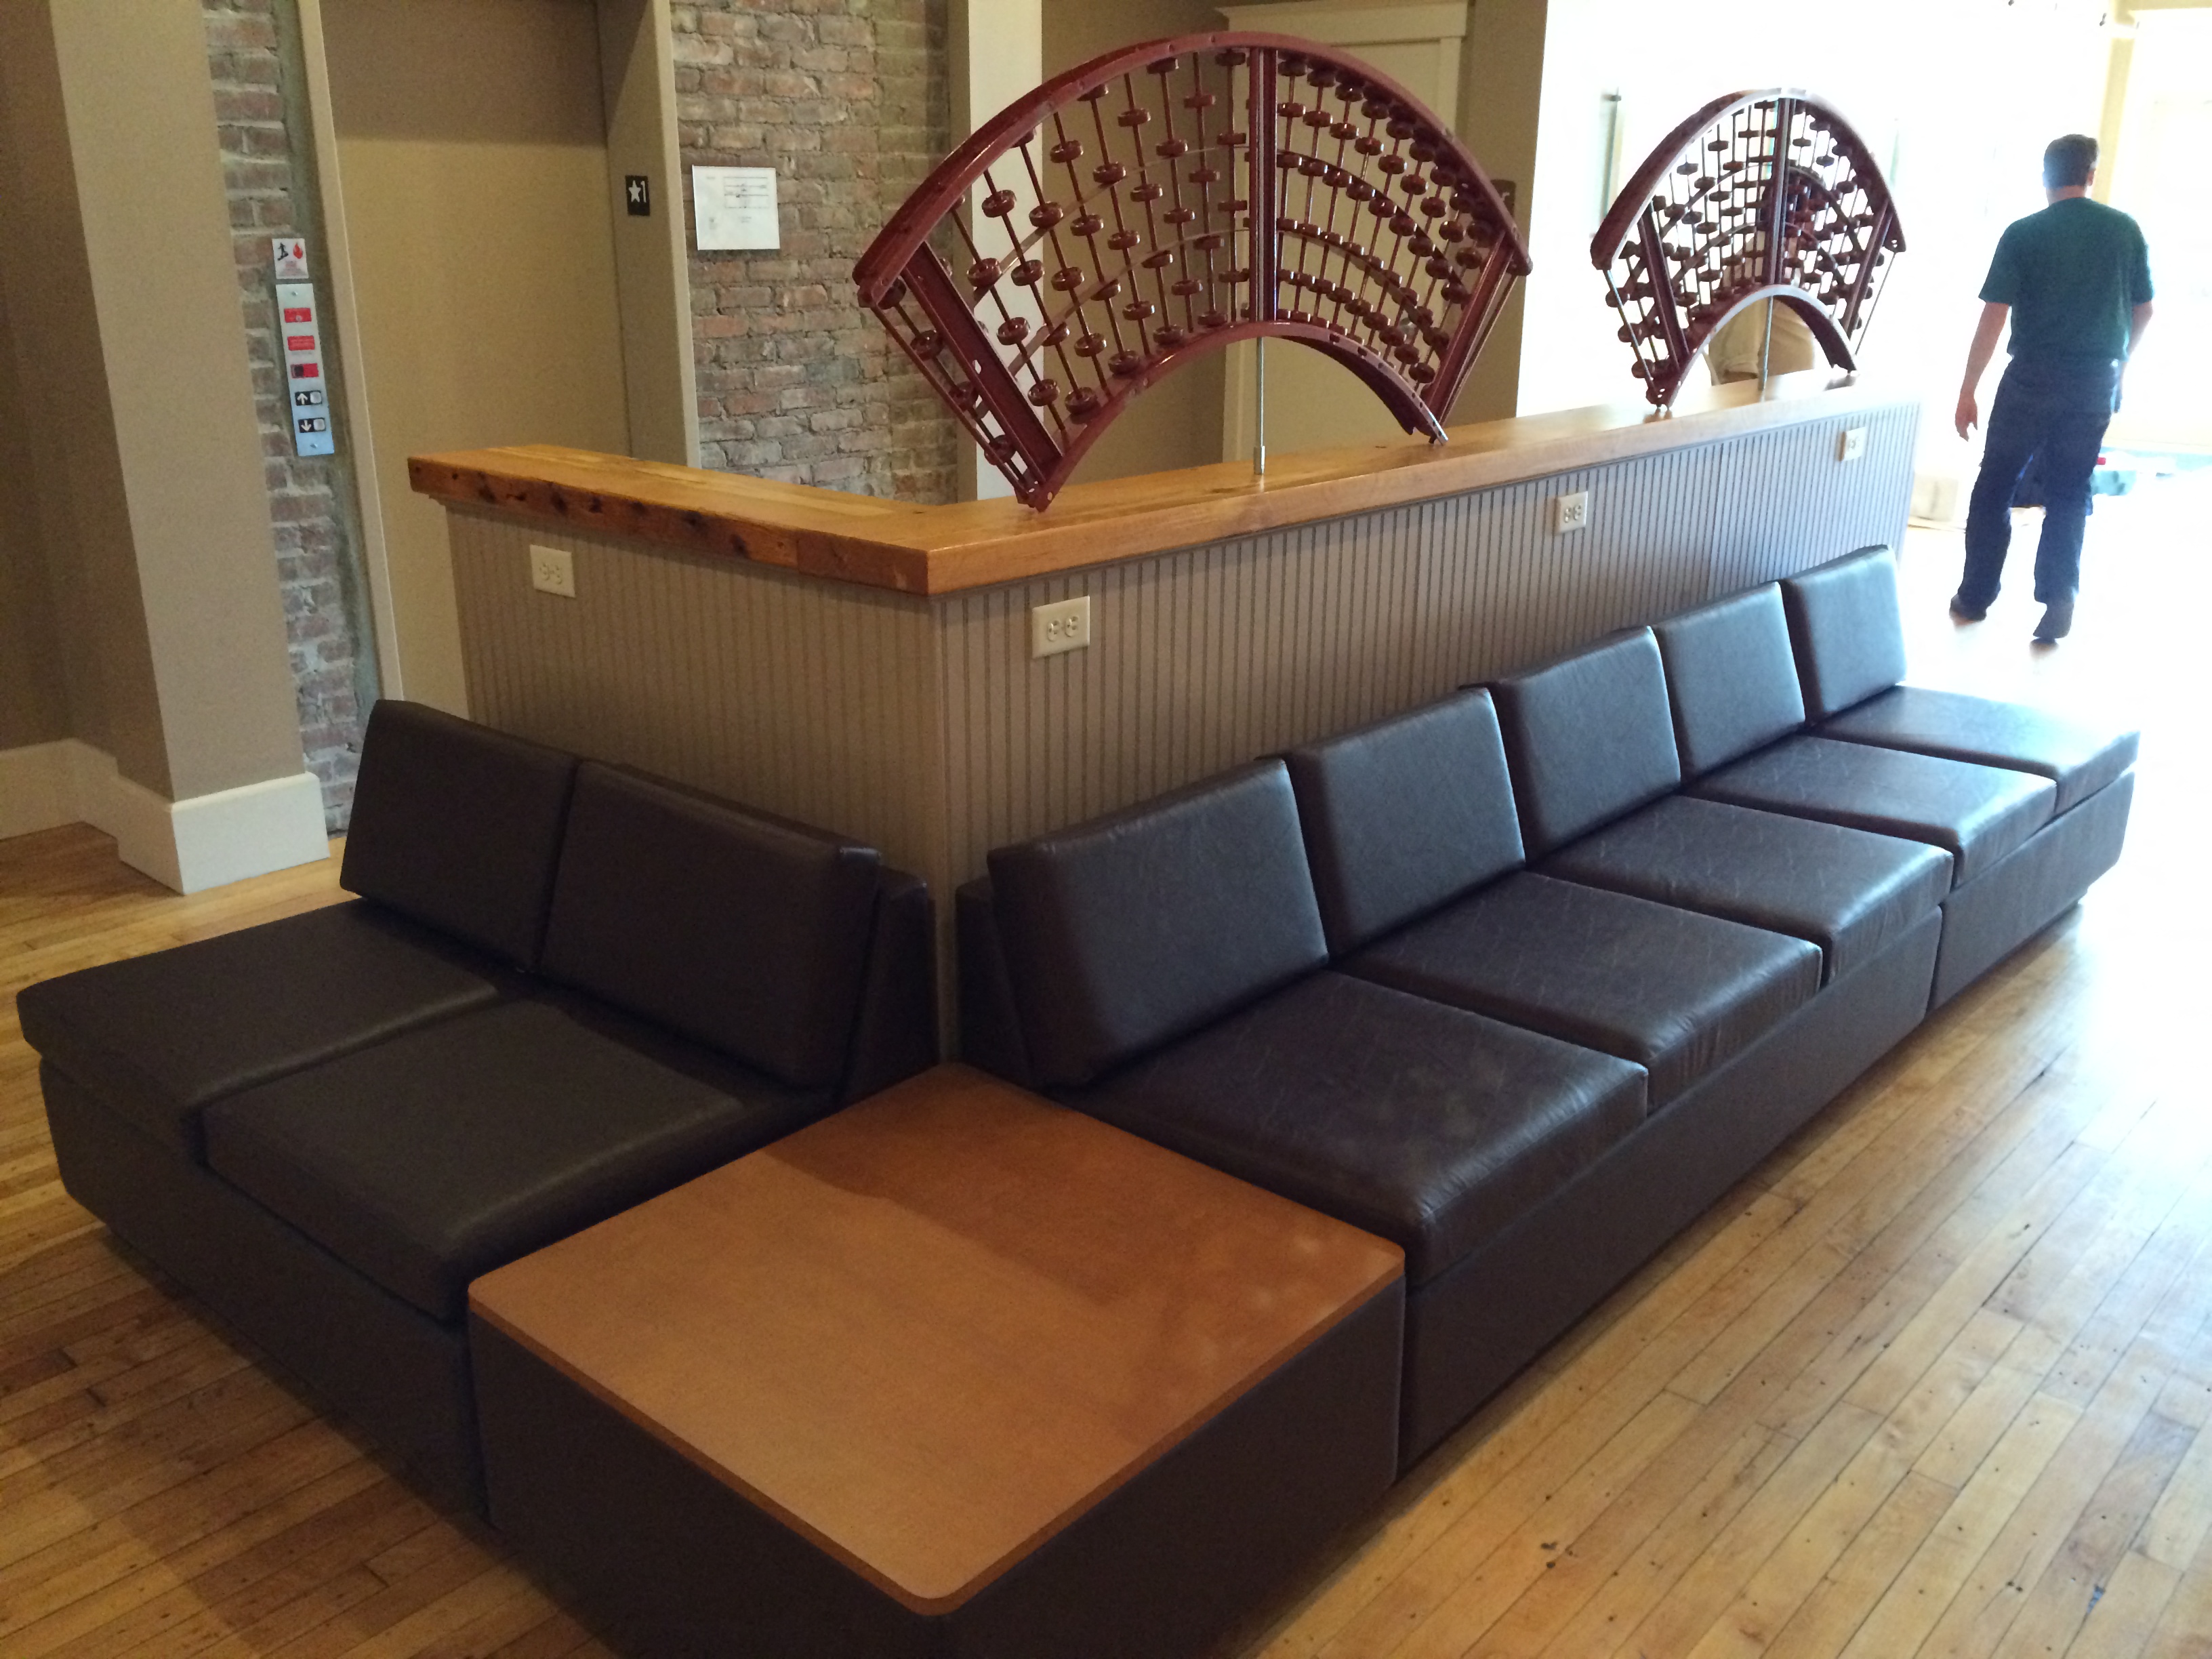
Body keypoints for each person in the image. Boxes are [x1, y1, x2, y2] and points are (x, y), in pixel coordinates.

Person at [1952, 134, 2153, 642]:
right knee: (2069, 490)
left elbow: (1993, 317)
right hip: (2094, 380)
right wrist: (2120, 369)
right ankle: (2058, 598)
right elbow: (2144, 310)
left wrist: (1968, 387)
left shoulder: (2024, 234)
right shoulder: (2124, 231)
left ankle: (1975, 597)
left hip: (2031, 378)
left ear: (2045, 177)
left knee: (1995, 483)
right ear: (2090, 174)